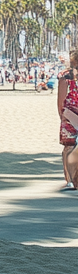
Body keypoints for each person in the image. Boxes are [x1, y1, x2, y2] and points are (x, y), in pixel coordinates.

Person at [57, 48, 78, 190]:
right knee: (69, 146)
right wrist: (63, 116)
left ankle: (73, 180)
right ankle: (69, 180)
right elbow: (61, 100)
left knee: (70, 148)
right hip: (70, 114)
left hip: (69, 114)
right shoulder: (65, 78)